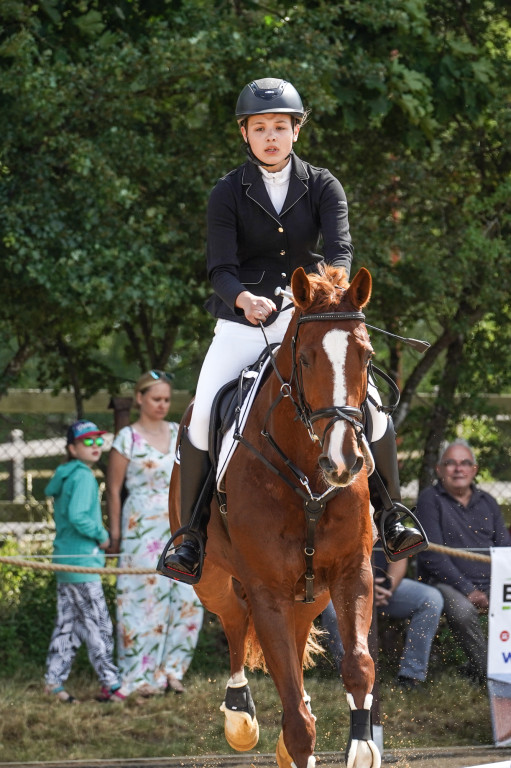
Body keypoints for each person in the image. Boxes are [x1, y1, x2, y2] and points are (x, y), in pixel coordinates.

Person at [160, 77, 425, 583]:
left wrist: (332, 289)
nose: (270, 137)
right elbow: (219, 267)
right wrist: (243, 297)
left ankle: (391, 515)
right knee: (201, 414)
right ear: (245, 134)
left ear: (296, 131)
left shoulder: (324, 185)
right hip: (246, 320)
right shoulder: (226, 192)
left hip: (313, 319)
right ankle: (191, 536)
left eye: (279, 127)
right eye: (259, 128)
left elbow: (341, 248)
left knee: (373, 409)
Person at [107, 370, 203, 697]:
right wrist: (116, 534)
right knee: (142, 600)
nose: (162, 405)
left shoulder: (179, 431)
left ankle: (172, 671)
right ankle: (139, 674)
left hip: (179, 523)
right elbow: (114, 490)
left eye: (166, 399)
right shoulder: (127, 438)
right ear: (140, 399)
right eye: (156, 399)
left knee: (186, 598)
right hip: (141, 527)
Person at [416, 439, 511, 685]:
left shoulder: (488, 501)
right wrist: (469, 590)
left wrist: (499, 588)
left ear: (474, 470)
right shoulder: (430, 500)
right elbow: (432, 556)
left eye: (465, 463)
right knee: (463, 611)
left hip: (492, 583)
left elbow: (504, 549)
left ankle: (498, 666)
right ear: (439, 470)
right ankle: (492, 677)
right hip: (446, 584)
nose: (458, 469)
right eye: (451, 463)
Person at [44, 419, 125, 704]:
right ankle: (111, 684)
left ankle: (53, 683)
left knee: (68, 625)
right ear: (72, 448)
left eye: (98, 441)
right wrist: (103, 536)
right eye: (86, 442)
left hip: (66, 561)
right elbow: (79, 517)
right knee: (99, 625)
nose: (95, 446)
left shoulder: (67, 474)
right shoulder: (83, 477)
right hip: (81, 564)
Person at [321, 551, 444, 690]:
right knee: (332, 610)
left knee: (431, 599)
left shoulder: (387, 527)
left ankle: (410, 677)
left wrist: (387, 586)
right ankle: (352, 676)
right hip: (344, 589)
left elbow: (399, 558)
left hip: (383, 589)